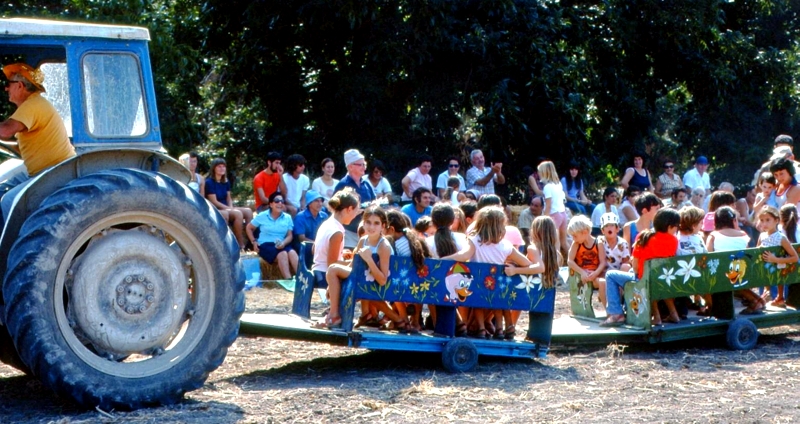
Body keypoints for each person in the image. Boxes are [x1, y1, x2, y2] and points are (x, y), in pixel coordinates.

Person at [444, 206, 535, 340]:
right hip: (497, 285)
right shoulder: (505, 245)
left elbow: (464, 255)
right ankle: (499, 329)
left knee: (477, 303)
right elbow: (526, 263)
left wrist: (444, 259)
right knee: (497, 302)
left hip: (478, 283)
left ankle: (481, 329)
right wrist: (513, 265)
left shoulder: (475, 240)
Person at [0, 63, 76, 220]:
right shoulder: (32, 105)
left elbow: (5, 131)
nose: (6, 89)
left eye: (8, 84)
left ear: (20, 85)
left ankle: (11, 244)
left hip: (54, 171)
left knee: (9, 201)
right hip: (42, 170)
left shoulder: (33, 105)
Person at [325, 206, 413, 331]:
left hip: (382, 284)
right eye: (368, 223)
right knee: (333, 269)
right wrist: (334, 281)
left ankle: (334, 315)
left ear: (383, 226)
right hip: (365, 278)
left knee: (333, 269)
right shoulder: (363, 240)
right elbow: (353, 266)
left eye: (376, 223)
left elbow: (383, 280)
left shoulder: (384, 246)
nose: (371, 227)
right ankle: (395, 319)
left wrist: (369, 259)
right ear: (363, 223)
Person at [600, 208, 681, 327]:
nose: (677, 229)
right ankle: (673, 314)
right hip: (664, 280)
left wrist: (636, 271)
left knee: (610, 275)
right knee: (653, 279)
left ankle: (616, 313)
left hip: (643, 280)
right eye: (676, 226)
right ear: (669, 227)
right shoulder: (674, 241)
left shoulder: (644, 237)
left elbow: (636, 266)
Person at [312, 188, 361, 328]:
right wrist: (350, 261)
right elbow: (332, 264)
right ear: (349, 209)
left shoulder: (327, 223)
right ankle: (336, 313)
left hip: (317, 268)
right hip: (323, 273)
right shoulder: (337, 231)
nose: (355, 216)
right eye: (356, 211)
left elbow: (315, 249)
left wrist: (341, 254)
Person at [705, 206, 756, 314]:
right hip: (743, 274)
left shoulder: (713, 236)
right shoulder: (743, 235)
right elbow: (746, 255)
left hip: (721, 276)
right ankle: (756, 300)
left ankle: (710, 306)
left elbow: (708, 256)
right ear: (733, 220)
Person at [246, 192, 298, 280]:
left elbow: (290, 236)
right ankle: (288, 280)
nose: (280, 203)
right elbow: (249, 228)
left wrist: (284, 243)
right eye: (277, 201)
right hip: (265, 244)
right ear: (271, 204)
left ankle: (302, 280)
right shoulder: (262, 216)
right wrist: (254, 241)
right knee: (283, 254)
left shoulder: (287, 217)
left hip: (281, 244)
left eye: (282, 201)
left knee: (293, 253)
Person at [205, 158, 253, 250]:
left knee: (248, 211)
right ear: (214, 168)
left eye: (223, 167)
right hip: (217, 208)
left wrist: (230, 207)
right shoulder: (209, 182)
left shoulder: (225, 181)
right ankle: (240, 244)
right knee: (238, 214)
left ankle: (251, 241)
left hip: (226, 206)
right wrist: (229, 209)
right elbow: (214, 201)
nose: (222, 168)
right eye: (219, 166)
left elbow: (228, 198)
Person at [757, 206, 798, 309]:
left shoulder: (781, 237)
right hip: (765, 268)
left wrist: (775, 259)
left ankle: (780, 297)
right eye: (762, 220)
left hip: (779, 267)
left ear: (776, 220)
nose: (764, 224)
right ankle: (767, 293)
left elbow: (794, 257)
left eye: (768, 220)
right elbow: (757, 251)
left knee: (778, 273)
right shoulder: (762, 236)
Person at [334, 149, 375, 248]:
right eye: (360, 164)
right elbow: (335, 210)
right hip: (348, 233)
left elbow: (374, 201)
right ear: (350, 167)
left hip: (366, 232)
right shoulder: (342, 185)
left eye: (364, 164)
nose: (364, 167)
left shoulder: (366, 184)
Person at [567, 215, 607, 306]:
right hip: (581, 276)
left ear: (584, 232)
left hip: (594, 275)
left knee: (602, 282)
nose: (573, 239)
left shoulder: (598, 243)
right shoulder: (576, 244)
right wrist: (582, 272)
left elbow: (603, 262)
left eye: (575, 236)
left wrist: (595, 273)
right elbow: (570, 261)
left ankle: (608, 311)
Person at [538, 160, 569, 256]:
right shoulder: (558, 184)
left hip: (554, 215)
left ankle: (556, 265)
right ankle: (576, 261)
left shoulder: (547, 187)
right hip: (563, 214)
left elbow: (548, 205)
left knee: (555, 243)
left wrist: (544, 219)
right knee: (564, 242)